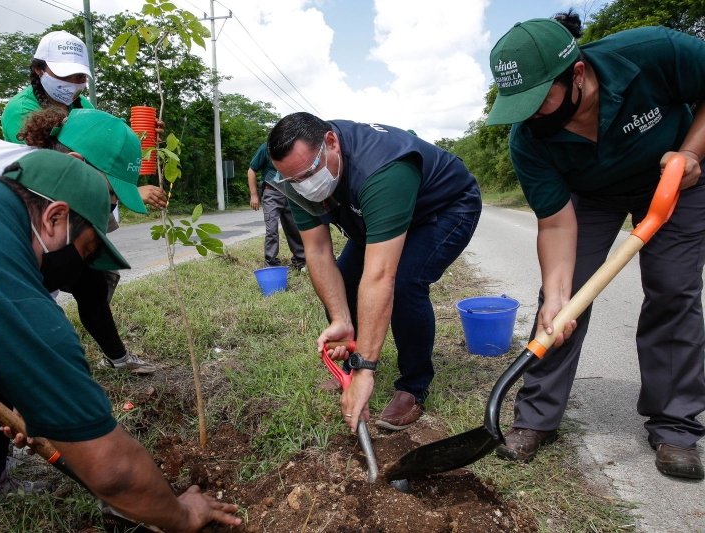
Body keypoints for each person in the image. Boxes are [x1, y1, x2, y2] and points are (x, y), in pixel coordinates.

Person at [0, 150, 242, 532]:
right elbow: (113, 472)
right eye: (86, 251)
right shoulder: (12, 298)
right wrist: (184, 514)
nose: (80, 270)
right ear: (54, 218)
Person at [0, 108, 159, 517]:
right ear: (76, 164)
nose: (110, 209)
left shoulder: (39, 208)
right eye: (110, 194)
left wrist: (26, 388)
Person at [485, 12, 705, 480]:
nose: (529, 114)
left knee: (673, 290)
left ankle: (675, 426)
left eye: (538, 99)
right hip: (592, 196)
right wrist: (557, 294)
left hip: (676, 179)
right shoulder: (528, 140)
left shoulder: (655, 52)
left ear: (578, 74)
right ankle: (536, 418)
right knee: (561, 304)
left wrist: (691, 152)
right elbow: (555, 225)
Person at [266, 112, 481, 432]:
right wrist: (341, 318)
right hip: (377, 217)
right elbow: (318, 251)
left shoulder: (383, 169)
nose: (304, 186)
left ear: (331, 142)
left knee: (405, 282)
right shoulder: (296, 173)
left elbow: (380, 277)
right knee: (344, 281)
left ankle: (413, 387)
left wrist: (367, 369)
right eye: (295, 181)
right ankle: (350, 369)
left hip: (444, 209)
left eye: (309, 174)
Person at [0, 29, 167, 210]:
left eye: (79, 76)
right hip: (42, 204)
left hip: (87, 202)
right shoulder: (21, 110)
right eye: (64, 76)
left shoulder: (82, 104)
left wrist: (135, 139)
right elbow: (52, 174)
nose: (72, 83)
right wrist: (126, 193)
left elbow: (99, 154)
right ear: (38, 70)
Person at [247, 141, 306, 270]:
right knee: (272, 230)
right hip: (271, 193)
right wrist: (254, 195)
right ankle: (271, 264)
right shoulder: (266, 148)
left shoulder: (292, 146)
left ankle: (300, 261)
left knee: (294, 228)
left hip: (291, 193)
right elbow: (252, 170)